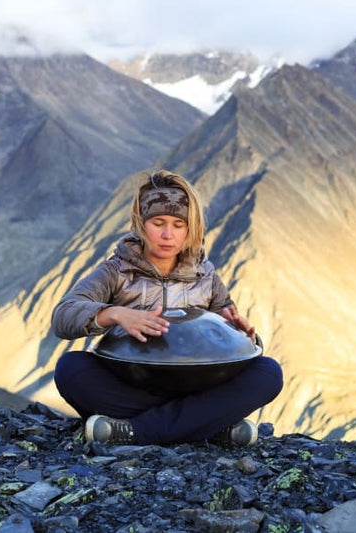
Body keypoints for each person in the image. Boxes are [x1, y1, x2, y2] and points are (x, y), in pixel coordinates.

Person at [50, 169, 284, 447]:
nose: (167, 234)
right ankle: (206, 427)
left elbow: (230, 340)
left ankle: (135, 431)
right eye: (158, 222)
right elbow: (63, 316)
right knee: (70, 369)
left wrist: (246, 337)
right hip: (132, 383)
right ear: (140, 222)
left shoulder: (205, 276)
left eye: (178, 224)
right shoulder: (116, 271)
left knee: (268, 373)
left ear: (190, 228)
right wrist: (116, 313)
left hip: (198, 384)